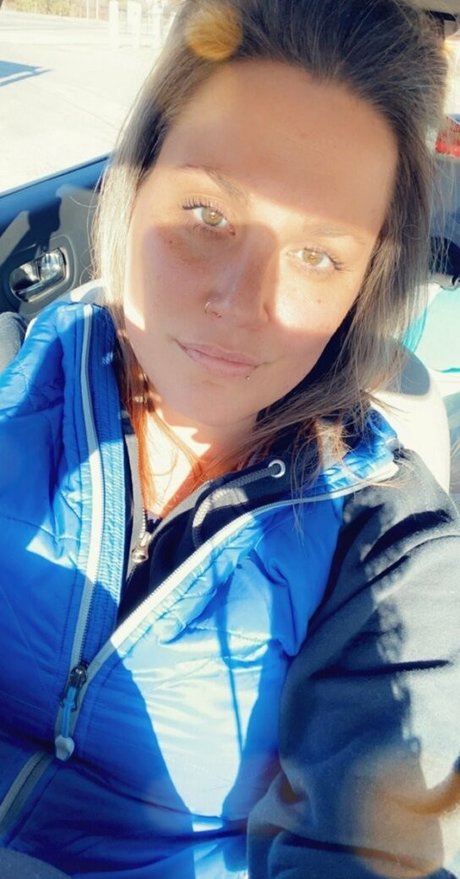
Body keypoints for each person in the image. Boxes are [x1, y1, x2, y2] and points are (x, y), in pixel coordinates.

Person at [0, 1, 459, 877]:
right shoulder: (32, 371)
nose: (242, 304)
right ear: (136, 184)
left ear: (365, 283)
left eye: (319, 255)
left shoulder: (390, 546)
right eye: (208, 214)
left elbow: (371, 844)